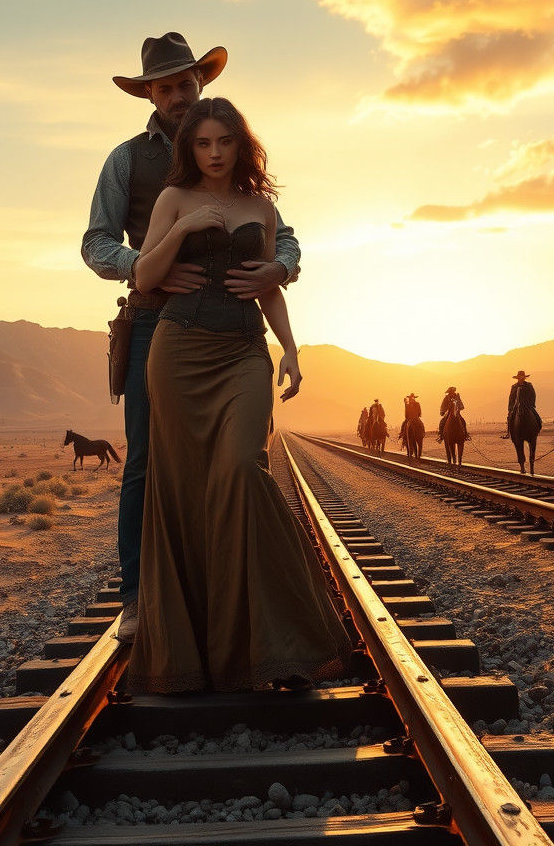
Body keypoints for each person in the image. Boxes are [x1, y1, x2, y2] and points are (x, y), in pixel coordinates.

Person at [81, 34, 301, 643]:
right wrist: (145, 264)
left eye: (187, 83)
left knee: (233, 464)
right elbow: (94, 242)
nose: (178, 95)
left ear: (200, 85)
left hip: (233, 327)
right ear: (148, 93)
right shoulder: (127, 160)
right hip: (158, 322)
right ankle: (136, 599)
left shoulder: (226, 150)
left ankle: (223, 600)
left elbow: (282, 236)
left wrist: (277, 268)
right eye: (165, 86)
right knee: (147, 463)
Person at [126, 97, 350, 693]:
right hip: (177, 351)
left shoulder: (262, 208)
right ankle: (200, 652)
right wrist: (180, 229)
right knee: (181, 489)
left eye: (224, 141)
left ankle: (276, 640)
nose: (215, 153)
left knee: (239, 472)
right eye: (203, 143)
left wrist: (293, 350)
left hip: (244, 352)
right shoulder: (174, 200)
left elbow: (267, 286)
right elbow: (145, 278)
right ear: (189, 148)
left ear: (240, 144)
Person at [506, 370, 541, 436]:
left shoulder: (529, 386)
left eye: (522, 377)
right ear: (518, 378)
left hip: (528, 404)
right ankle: (509, 432)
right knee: (510, 417)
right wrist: (510, 408)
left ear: (524, 378)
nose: (521, 378)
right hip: (516, 405)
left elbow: (533, 395)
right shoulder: (514, 387)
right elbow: (511, 398)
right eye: (520, 377)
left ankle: (538, 428)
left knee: (537, 416)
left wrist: (532, 404)